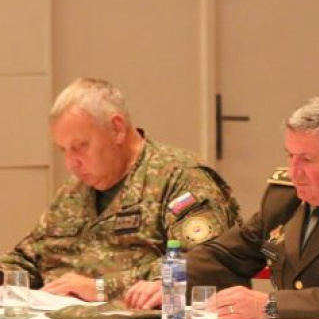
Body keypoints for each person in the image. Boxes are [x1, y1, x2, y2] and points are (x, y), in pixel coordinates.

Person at [126, 95, 319, 319]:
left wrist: (270, 305)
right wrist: (172, 279)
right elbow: (229, 253)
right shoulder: (284, 196)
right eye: (290, 156)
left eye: (307, 159)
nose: (295, 172)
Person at [0, 77, 240, 301]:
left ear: (117, 129)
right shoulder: (74, 191)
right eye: (64, 150)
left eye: (80, 146)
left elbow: (205, 266)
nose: (70, 163)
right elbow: (29, 258)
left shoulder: (182, 179)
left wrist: (102, 288)